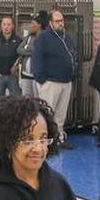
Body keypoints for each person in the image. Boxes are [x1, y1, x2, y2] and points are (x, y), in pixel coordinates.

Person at [33, 9, 77, 149]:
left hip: (66, 81)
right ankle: (46, 140)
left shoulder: (66, 37)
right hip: (50, 82)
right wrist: (41, 79)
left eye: (62, 21)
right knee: (48, 113)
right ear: (51, 23)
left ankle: (59, 138)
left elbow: (71, 55)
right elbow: (37, 58)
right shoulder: (43, 38)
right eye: (57, 21)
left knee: (60, 114)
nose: (61, 23)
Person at [0, 15, 23, 105]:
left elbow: (21, 57)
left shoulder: (19, 41)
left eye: (9, 24)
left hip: (13, 77)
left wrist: (17, 69)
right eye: (4, 24)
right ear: (1, 25)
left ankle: (15, 119)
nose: (6, 27)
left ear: (13, 26)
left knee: (16, 103)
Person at [17, 12, 47, 100]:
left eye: (33, 24)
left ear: (39, 25)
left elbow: (42, 52)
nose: (30, 26)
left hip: (37, 76)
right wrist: (33, 51)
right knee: (26, 100)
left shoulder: (44, 38)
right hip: (26, 74)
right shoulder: (29, 37)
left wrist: (27, 50)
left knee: (38, 100)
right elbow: (19, 49)